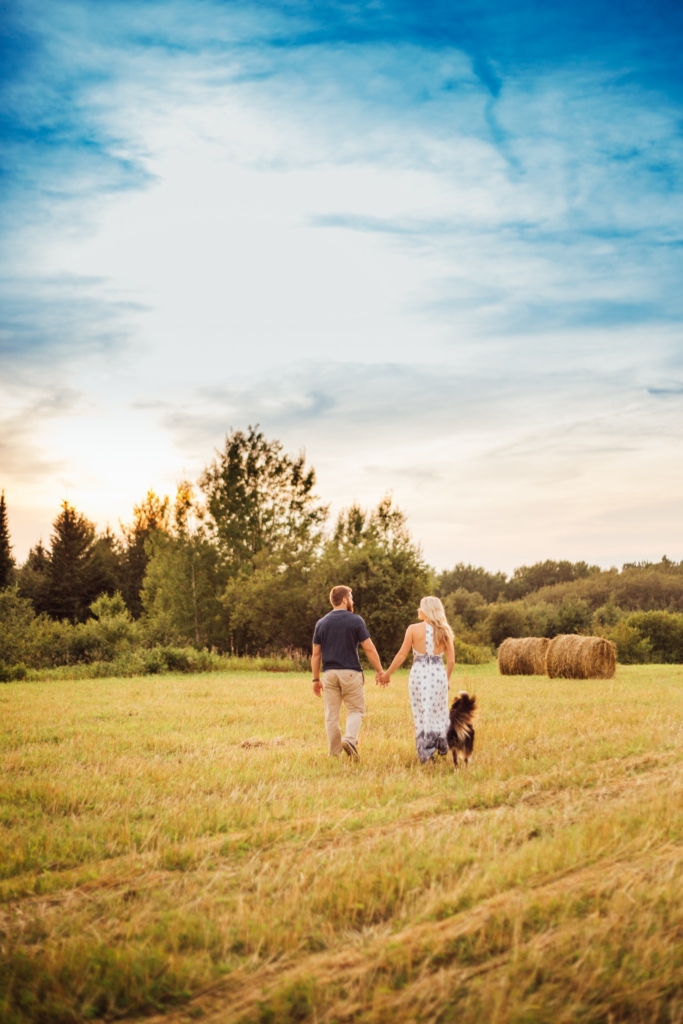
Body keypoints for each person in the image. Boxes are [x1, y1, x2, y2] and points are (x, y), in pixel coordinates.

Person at [312, 585, 385, 759]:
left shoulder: (321, 623)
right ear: (344, 600)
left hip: (329, 674)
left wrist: (315, 679)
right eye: (351, 597)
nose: (353, 600)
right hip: (350, 673)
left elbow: (316, 654)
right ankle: (350, 739)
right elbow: (369, 648)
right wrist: (379, 670)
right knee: (356, 709)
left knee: (331, 716)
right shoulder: (356, 620)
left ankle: (334, 753)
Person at [380, 596, 455, 763]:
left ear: (427, 610)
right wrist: (447, 679)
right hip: (438, 676)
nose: (418, 610)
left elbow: (401, 655)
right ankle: (440, 742)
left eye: (420, 607)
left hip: (419, 676)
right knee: (438, 711)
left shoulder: (413, 629)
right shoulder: (445, 631)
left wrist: (387, 674)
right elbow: (451, 661)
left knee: (421, 713)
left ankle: (426, 753)